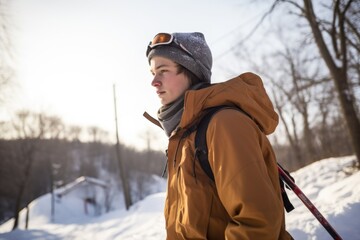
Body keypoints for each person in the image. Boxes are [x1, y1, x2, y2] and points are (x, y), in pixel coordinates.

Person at [144, 32, 293, 240]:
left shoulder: (225, 124)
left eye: (163, 71)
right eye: (152, 72)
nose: (154, 82)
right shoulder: (183, 136)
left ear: (191, 72)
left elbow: (257, 224)